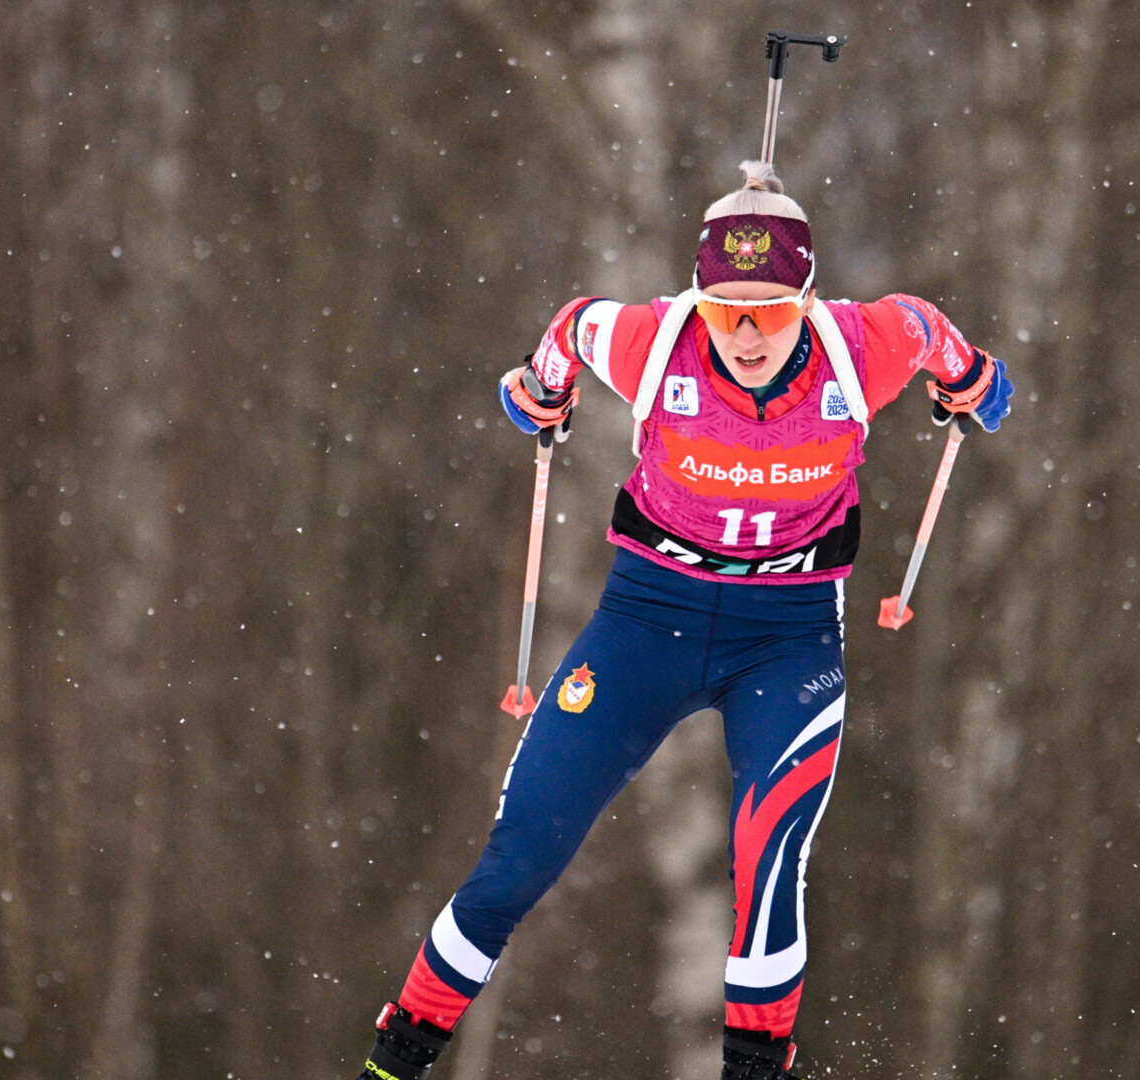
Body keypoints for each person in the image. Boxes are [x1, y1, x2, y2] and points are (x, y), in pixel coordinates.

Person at [352, 160, 1012, 1080]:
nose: (746, 334)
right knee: (519, 858)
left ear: (809, 302)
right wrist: (540, 393)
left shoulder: (864, 348)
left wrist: (975, 381)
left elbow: (937, 335)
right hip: (645, 621)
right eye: (725, 309)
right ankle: (395, 1060)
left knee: (768, 856)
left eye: (772, 311)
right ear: (695, 301)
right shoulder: (652, 343)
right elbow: (572, 328)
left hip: (785, 636)